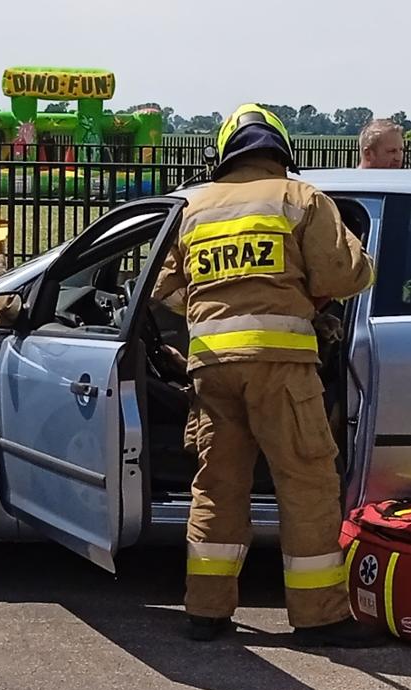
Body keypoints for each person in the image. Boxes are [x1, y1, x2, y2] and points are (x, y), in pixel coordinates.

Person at [152, 103, 381, 647]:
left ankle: (206, 611)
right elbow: (348, 273)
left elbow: (162, 290)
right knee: (306, 484)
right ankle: (319, 616)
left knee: (217, 486)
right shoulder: (298, 198)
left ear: (226, 150)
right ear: (280, 149)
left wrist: (216, 312)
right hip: (280, 366)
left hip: (211, 370)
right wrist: (300, 296)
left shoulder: (192, 208)